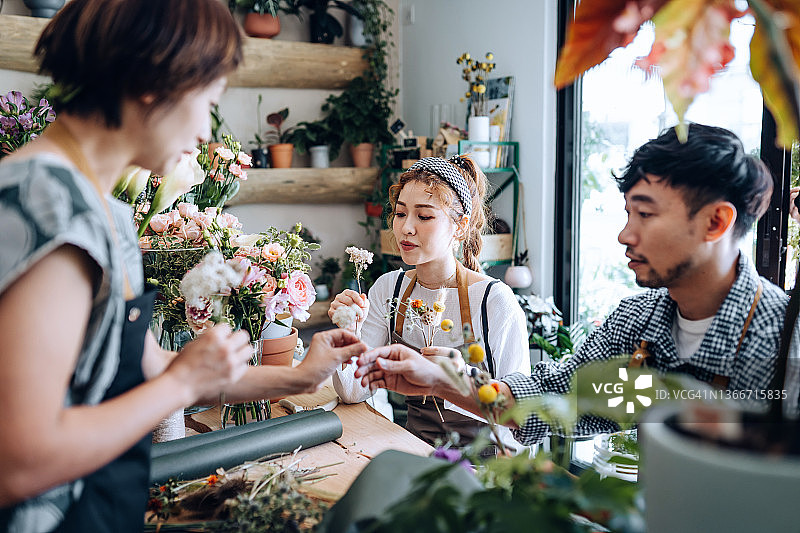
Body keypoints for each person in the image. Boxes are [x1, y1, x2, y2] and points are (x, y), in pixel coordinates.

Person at [0, 1, 365, 531]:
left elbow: (149, 370)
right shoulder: (46, 203)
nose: (205, 132)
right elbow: (20, 461)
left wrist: (302, 378)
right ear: (155, 80)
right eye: (209, 100)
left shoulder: (108, 212)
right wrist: (181, 384)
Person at [354, 123, 791, 446]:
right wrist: (440, 381)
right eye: (627, 214)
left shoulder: (784, 340)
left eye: (646, 214)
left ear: (717, 221)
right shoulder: (638, 325)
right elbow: (551, 401)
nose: (625, 234)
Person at [328, 155, 529, 449]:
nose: (406, 228)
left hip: (479, 471)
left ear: (460, 227)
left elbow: (519, 414)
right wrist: (348, 332)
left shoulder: (493, 301)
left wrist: (461, 379)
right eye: (400, 214)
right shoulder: (390, 288)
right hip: (412, 451)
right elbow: (351, 391)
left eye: (424, 217)